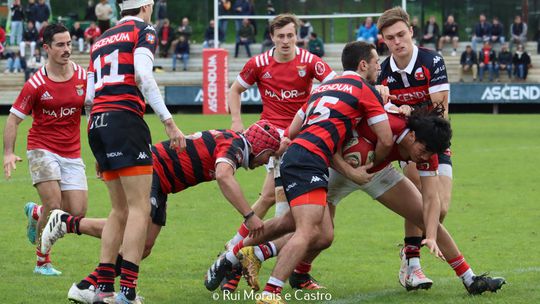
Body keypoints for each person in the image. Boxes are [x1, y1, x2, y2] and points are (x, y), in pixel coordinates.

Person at [231, 108, 506, 298]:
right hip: (331, 168)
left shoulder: (427, 149)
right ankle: (236, 256)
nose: (423, 158)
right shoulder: (386, 122)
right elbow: (336, 130)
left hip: (375, 171)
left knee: (422, 214)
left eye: (430, 154)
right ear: (411, 137)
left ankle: (470, 279)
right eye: (422, 151)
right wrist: (347, 168)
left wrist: (431, 236)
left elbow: (431, 199)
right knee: (313, 232)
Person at [207, 41, 393, 303]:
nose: (379, 67)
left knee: (314, 232)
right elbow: (385, 139)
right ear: (363, 65)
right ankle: (271, 293)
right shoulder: (365, 90)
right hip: (310, 160)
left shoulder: (322, 88)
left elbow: (293, 131)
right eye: (376, 62)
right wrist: (368, 167)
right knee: (307, 231)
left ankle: (236, 254)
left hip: (295, 155)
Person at [38, 121, 280, 304]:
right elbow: (223, 176)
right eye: (269, 155)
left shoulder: (233, 140)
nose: (265, 162)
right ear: (260, 146)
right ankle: (67, 223)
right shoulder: (236, 146)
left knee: (143, 246)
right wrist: (249, 215)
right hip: (152, 171)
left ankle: (85, 285)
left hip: (162, 182)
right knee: (135, 232)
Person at [207, 13, 336, 293]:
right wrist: (236, 122)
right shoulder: (259, 63)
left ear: (297, 36)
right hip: (274, 144)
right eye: (281, 36)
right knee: (288, 216)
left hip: (303, 144)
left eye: (290, 35)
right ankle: (243, 260)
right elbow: (235, 90)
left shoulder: (310, 61)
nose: (286, 41)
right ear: (272, 37)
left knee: (270, 202)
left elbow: (336, 85)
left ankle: (232, 256)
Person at [82, 0, 185, 302]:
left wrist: (99, 131)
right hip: (124, 120)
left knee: (119, 210)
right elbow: (142, 75)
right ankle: (127, 291)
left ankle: (103, 290)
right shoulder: (144, 29)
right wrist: (169, 122)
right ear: (146, 6)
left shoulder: (101, 38)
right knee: (140, 208)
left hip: (97, 123)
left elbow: (88, 96)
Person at [3, 23, 92, 276]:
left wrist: (101, 153)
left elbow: (91, 115)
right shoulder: (36, 84)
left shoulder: (83, 78)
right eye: (60, 45)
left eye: (69, 44)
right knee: (54, 205)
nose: (67, 49)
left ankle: (36, 212)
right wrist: (8, 152)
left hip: (72, 151)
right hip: (41, 148)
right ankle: (42, 260)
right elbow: (13, 119)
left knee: (77, 212)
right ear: (46, 48)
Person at [376, 6, 452, 291]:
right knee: (420, 201)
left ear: (411, 31)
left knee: (439, 210)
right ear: (384, 41)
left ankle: (410, 255)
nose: (397, 42)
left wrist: (407, 112)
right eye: (390, 38)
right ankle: (412, 263)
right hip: (409, 146)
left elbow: (438, 113)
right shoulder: (382, 73)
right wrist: (386, 102)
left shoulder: (433, 61)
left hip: (437, 141)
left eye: (401, 34)